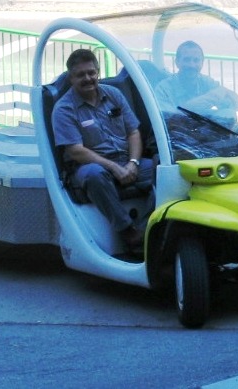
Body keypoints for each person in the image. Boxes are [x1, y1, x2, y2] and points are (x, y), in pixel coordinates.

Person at [52, 49, 155, 249]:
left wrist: (133, 163)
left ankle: (150, 229)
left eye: (91, 73)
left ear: (98, 72)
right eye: (80, 75)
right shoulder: (64, 109)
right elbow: (75, 151)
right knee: (95, 174)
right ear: (71, 78)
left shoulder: (114, 94)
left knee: (163, 171)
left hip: (125, 160)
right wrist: (114, 167)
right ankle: (129, 232)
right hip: (89, 165)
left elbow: (133, 132)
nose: (88, 78)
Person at [154, 40, 238, 133]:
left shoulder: (206, 81)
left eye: (196, 60)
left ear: (202, 63)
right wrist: (213, 96)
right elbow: (175, 119)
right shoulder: (164, 88)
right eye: (187, 60)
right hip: (177, 138)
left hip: (203, 136)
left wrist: (222, 91)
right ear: (177, 62)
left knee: (228, 114)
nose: (192, 65)